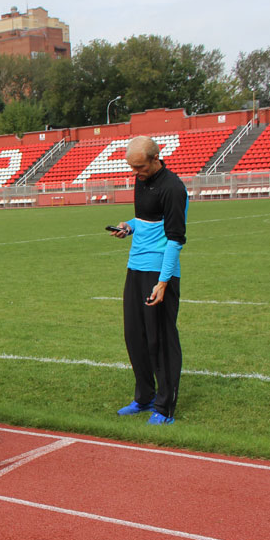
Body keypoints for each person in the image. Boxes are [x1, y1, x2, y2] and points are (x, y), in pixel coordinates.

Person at [109, 135, 188, 425]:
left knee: (161, 339)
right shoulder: (141, 180)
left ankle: (165, 407)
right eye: (132, 168)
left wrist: (164, 281)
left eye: (140, 167)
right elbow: (147, 220)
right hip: (135, 267)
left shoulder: (174, 188)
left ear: (156, 158)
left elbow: (176, 240)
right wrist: (128, 228)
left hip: (160, 271)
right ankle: (145, 397)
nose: (135, 173)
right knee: (135, 335)